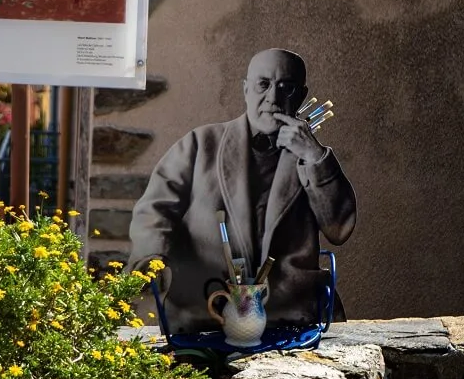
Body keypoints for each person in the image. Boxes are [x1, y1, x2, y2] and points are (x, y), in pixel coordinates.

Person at [127, 48, 356, 334]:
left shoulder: (310, 156)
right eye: (263, 85)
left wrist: (315, 157)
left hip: (291, 315)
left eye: (285, 87)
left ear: (300, 95)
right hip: (206, 308)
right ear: (246, 90)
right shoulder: (200, 144)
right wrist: (152, 259)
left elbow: (340, 228)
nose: (272, 97)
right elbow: (154, 212)